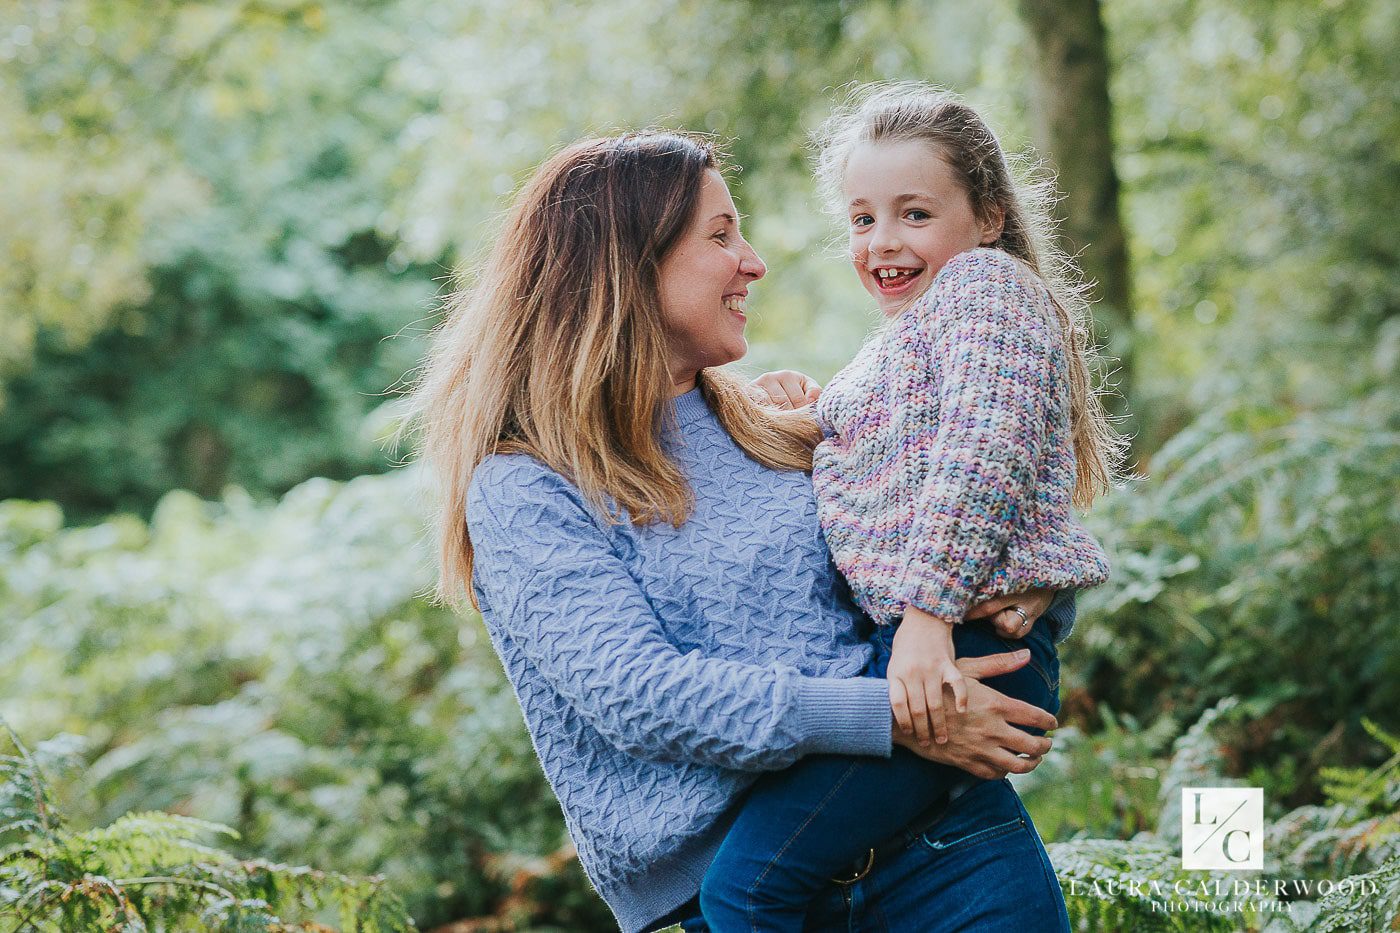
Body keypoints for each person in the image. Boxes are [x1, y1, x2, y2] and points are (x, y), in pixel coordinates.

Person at [410, 129, 1070, 933]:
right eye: (721, 236)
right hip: (732, 898)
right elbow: (641, 696)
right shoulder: (525, 487)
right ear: (622, 268)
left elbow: (971, 471)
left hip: (949, 850)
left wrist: (1014, 580)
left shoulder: (765, 422)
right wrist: (885, 713)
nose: (753, 261)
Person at [696, 83, 1124, 930]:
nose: (881, 243)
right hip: (936, 637)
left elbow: (982, 455)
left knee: (746, 890)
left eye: (914, 214)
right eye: (862, 220)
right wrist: (795, 408)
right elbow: (882, 449)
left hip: (955, 643)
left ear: (990, 214)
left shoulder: (984, 287)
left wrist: (928, 615)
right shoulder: (904, 339)